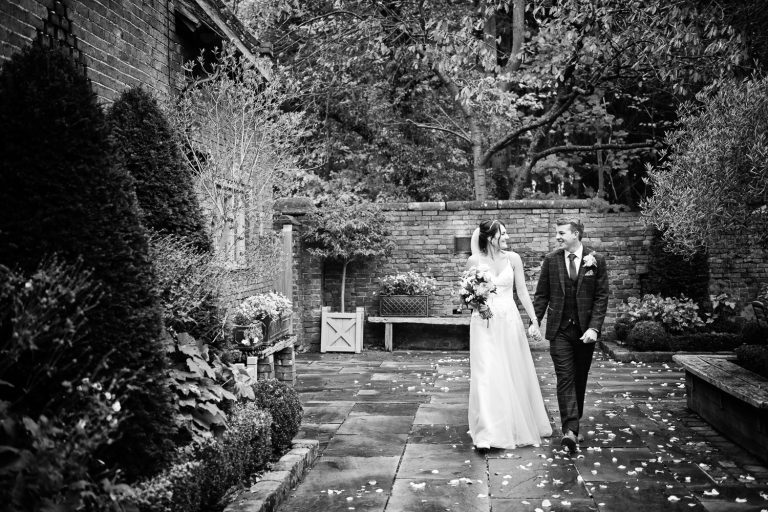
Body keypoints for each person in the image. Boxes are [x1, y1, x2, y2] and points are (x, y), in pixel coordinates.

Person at [466, 220, 552, 450]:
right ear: (490, 237)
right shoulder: (473, 261)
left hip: (509, 320)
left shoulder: (513, 259)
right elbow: (466, 295)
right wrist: (476, 304)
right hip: (483, 323)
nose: (507, 236)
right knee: (485, 373)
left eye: (506, 232)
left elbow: (522, 291)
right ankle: (486, 433)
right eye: (502, 233)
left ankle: (511, 424)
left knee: (511, 371)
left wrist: (534, 320)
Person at [531, 219, 609, 454]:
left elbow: (601, 297)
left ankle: (573, 424)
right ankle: (570, 431)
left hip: (585, 332)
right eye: (557, 233)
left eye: (562, 233)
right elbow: (542, 294)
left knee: (579, 378)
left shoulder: (596, 260)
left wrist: (594, 328)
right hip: (560, 331)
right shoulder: (551, 260)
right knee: (565, 377)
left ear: (576, 234)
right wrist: (535, 322)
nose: (558, 237)